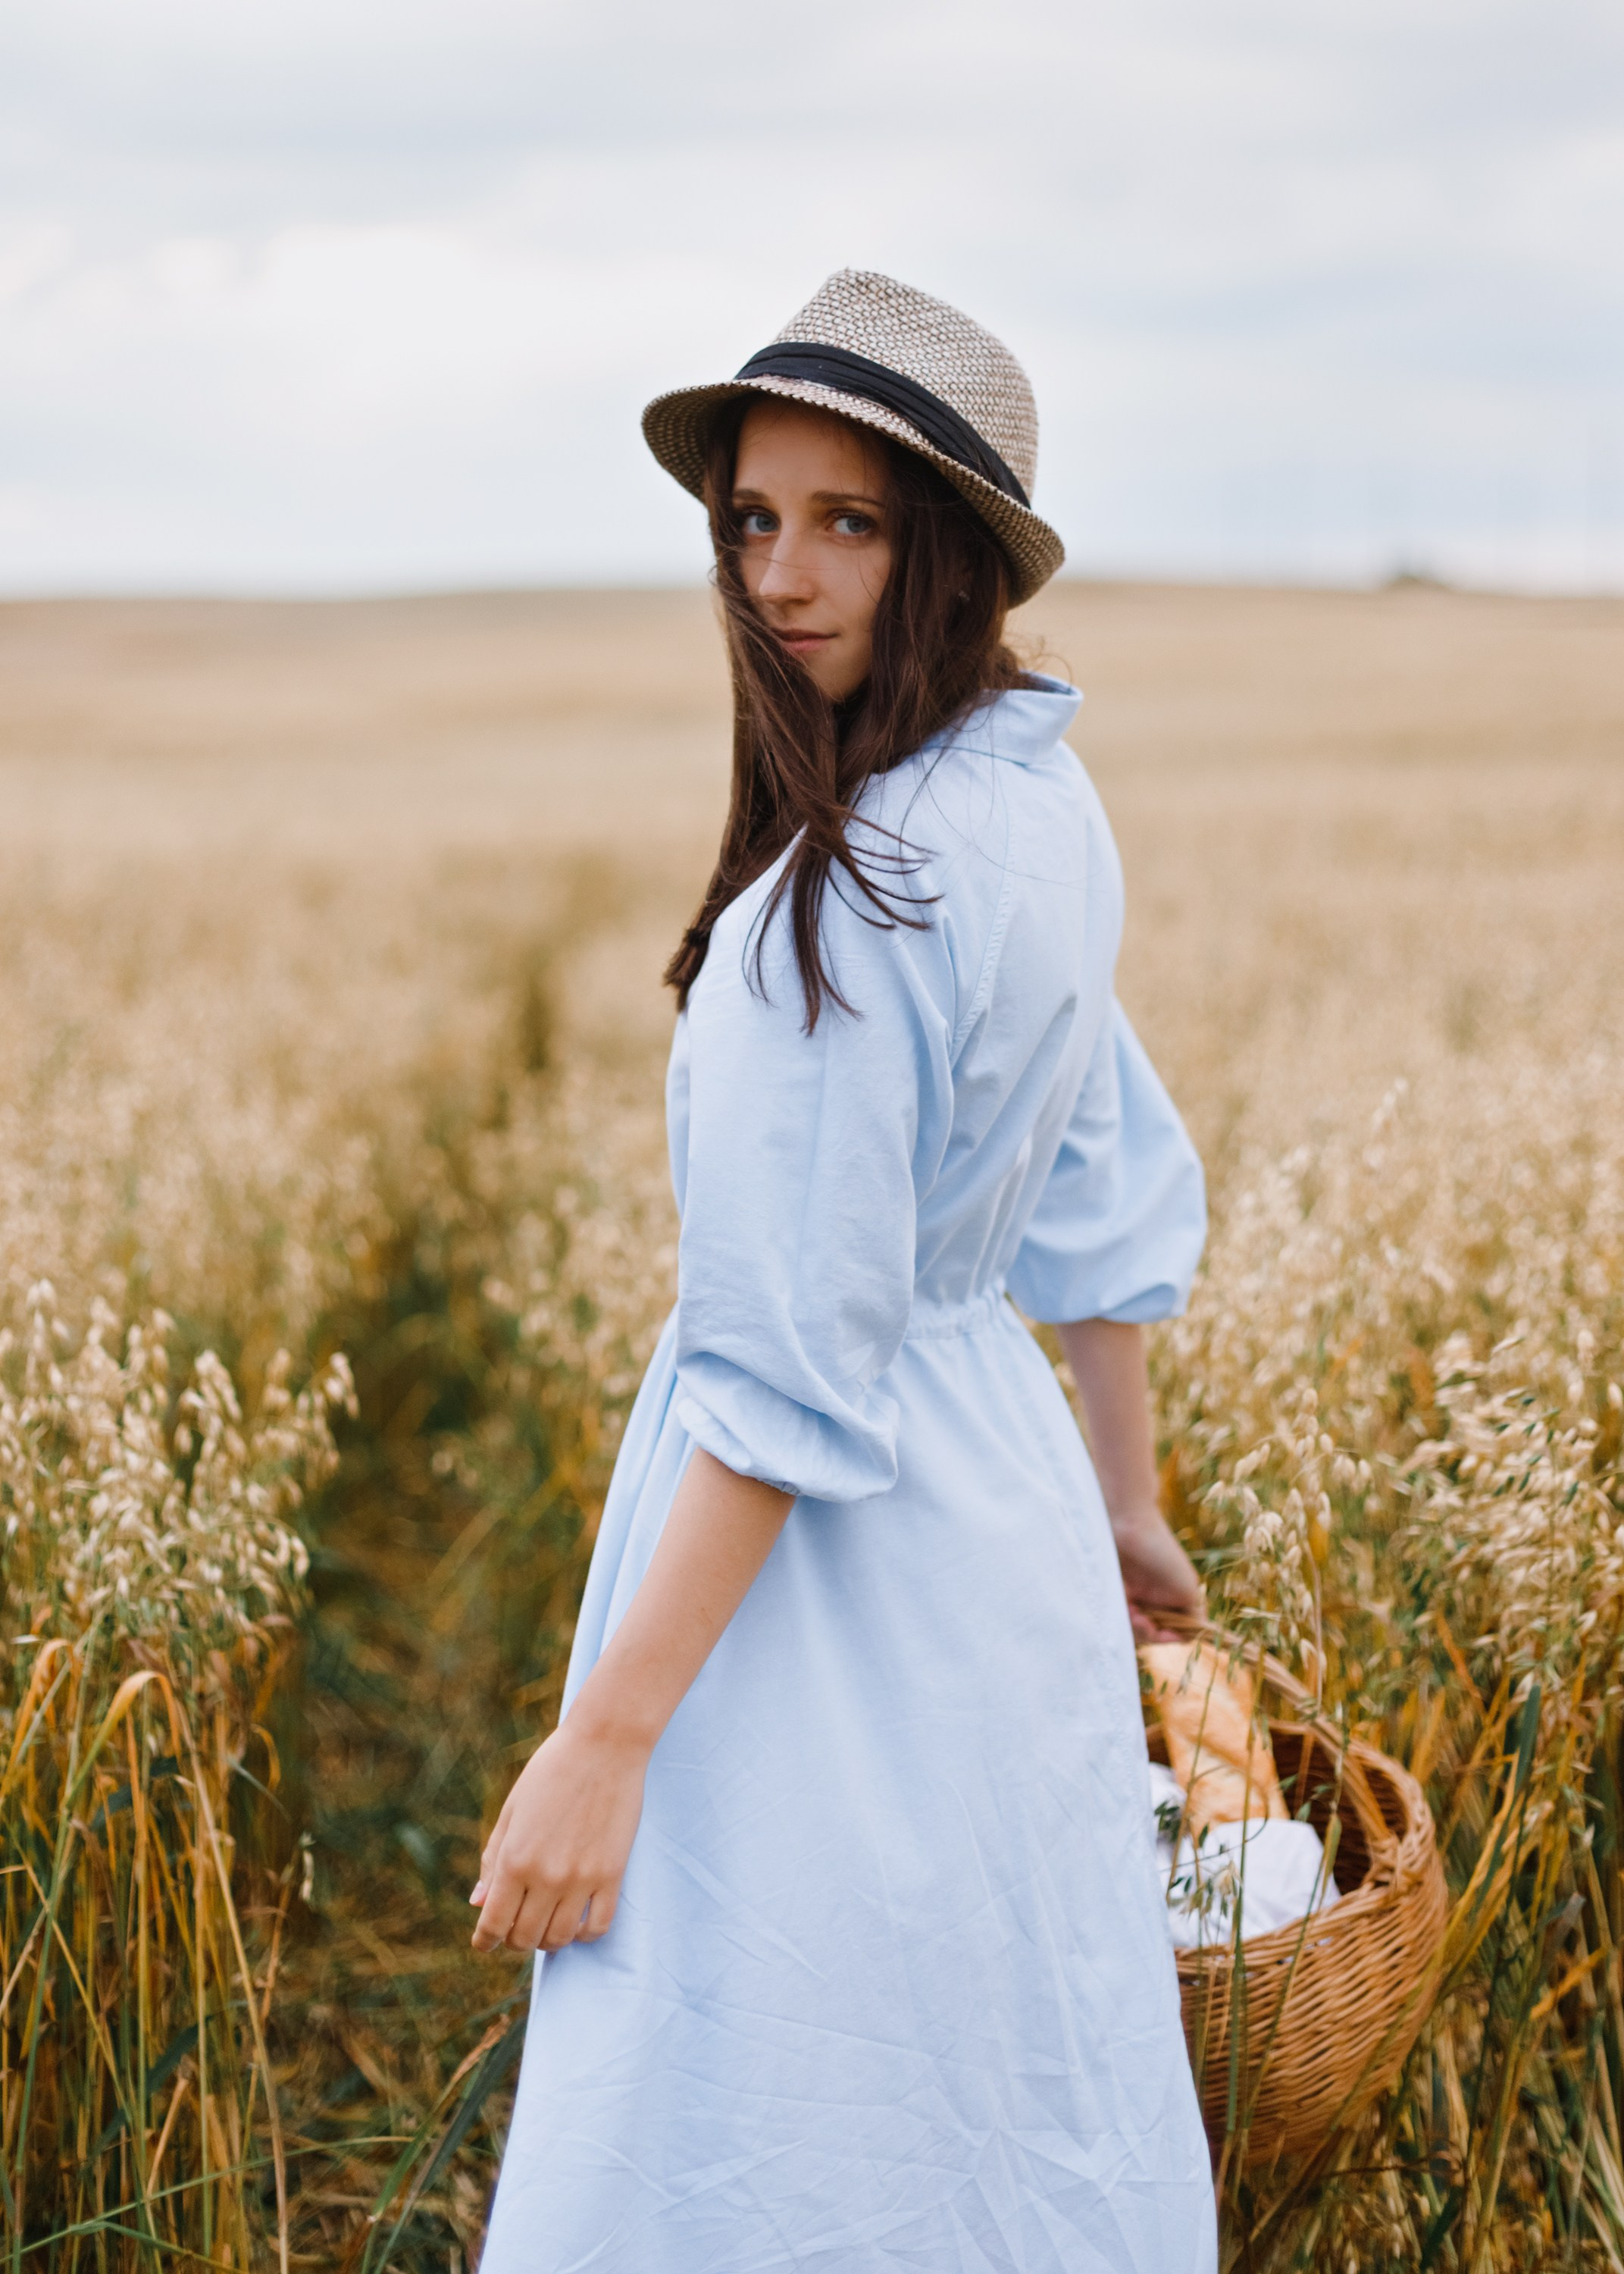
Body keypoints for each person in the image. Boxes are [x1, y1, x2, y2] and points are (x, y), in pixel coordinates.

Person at [475, 268, 1217, 2272]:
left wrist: (608, 1735)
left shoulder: (854, 897)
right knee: (989, 2049)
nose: (782, 573)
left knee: (767, 2083)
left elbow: (791, 1378)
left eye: (850, 521)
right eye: (751, 517)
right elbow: (1102, 1179)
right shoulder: (1033, 808)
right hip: (999, 1514)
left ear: (951, 553)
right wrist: (1121, 1504)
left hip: (819, 1562)